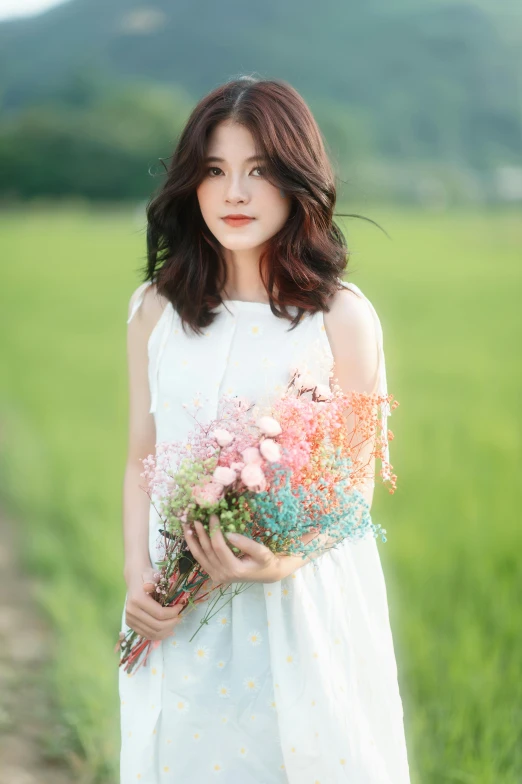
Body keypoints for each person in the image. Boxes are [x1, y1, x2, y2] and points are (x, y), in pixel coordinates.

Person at [119, 75, 411, 783]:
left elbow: (351, 489)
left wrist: (281, 562)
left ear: (296, 180)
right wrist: (139, 579)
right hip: (177, 609)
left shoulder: (340, 317)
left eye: (259, 172)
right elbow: (143, 457)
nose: (235, 195)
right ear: (191, 183)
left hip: (299, 608)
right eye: (215, 171)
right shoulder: (157, 311)